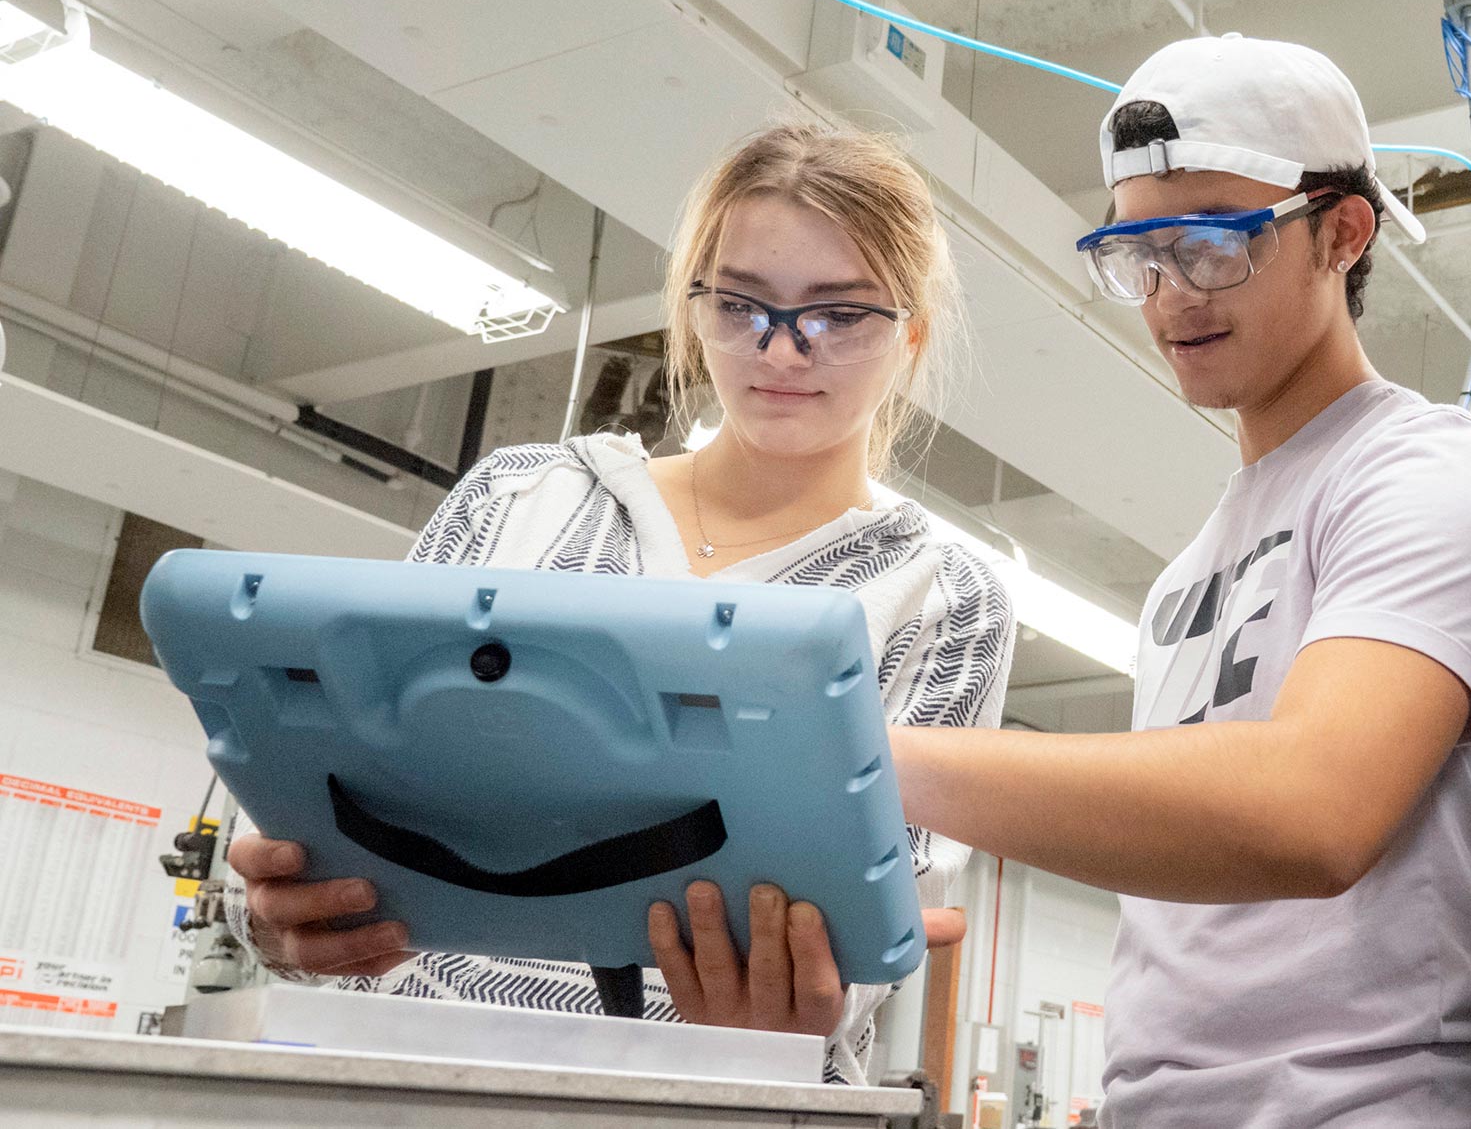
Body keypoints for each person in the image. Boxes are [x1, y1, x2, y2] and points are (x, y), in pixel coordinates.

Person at [223, 122, 1016, 1086]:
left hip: (710, 1101)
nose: (781, 349)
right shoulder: (518, 499)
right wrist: (278, 912)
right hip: (404, 1077)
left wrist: (802, 999)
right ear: (695, 308)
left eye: (837, 314)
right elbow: (308, 813)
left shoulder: (942, 592)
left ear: (910, 333)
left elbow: (871, 935)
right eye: (742, 304)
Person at [888, 35, 1471, 1126]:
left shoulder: (1425, 477)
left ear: (1342, 232)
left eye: (1209, 244)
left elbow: (1311, 811)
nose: (1168, 297)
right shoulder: (1188, 571)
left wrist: (878, 757)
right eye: (1135, 255)